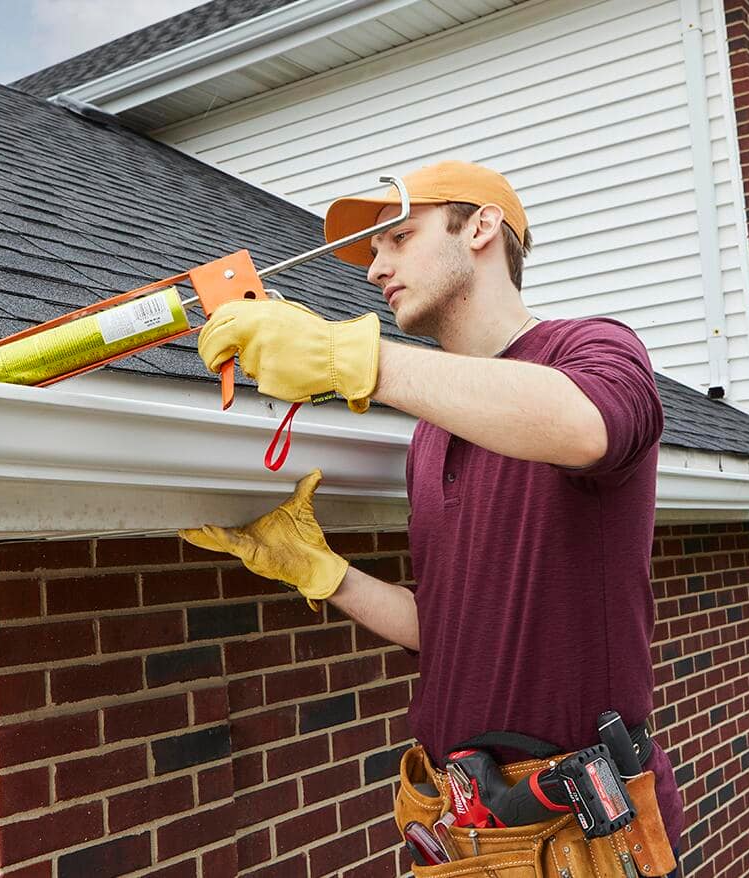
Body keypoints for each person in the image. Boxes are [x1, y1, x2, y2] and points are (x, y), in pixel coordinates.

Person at [180, 160, 685, 870]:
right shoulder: (431, 431)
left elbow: (586, 427)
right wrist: (324, 573)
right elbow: (445, 629)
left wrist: (349, 359)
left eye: (397, 238)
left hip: (575, 835)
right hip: (455, 825)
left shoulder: (592, 348)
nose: (373, 269)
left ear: (479, 227)